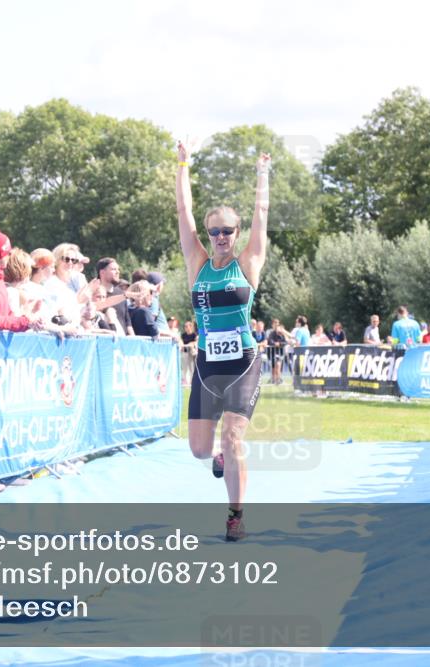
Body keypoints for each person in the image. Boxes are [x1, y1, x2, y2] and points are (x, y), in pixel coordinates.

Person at [176, 139, 270, 542]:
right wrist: (183, 165)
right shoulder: (197, 263)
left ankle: (235, 515)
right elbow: (183, 212)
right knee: (200, 449)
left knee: (233, 438)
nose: (219, 237)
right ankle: (218, 456)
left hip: (243, 364)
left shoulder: (247, 262)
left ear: (237, 233)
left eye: (227, 231)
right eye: (213, 231)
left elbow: (261, 214)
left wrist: (262, 174)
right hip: (207, 365)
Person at [96, 257, 133, 335]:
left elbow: (127, 320)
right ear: (102, 272)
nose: (118, 272)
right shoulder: (95, 293)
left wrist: (133, 337)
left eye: (118, 269)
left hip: (122, 339)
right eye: (113, 269)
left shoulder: (121, 293)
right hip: (104, 338)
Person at [266, 318, 287, 384]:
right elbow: (269, 341)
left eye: (277, 323)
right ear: (272, 324)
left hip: (280, 353)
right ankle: (274, 379)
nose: (276, 325)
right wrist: (275, 343)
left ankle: (278, 379)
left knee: (278, 365)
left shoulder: (282, 334)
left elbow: (285, 342)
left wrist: (279, 343)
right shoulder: (271, 333)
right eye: (275, 323)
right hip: (272, 352)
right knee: (274, 366)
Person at [180, 319, 198, 385]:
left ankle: (192, 381)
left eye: (189, 326)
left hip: (192, 353)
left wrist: (191, 344)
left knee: (192, 367)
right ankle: (185, 381)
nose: (187, 327)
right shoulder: (183, 335)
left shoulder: (194, 334)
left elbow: (196, 342)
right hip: (185, 353)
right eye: (185, 326)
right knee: (185, 368)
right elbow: (181, 343)